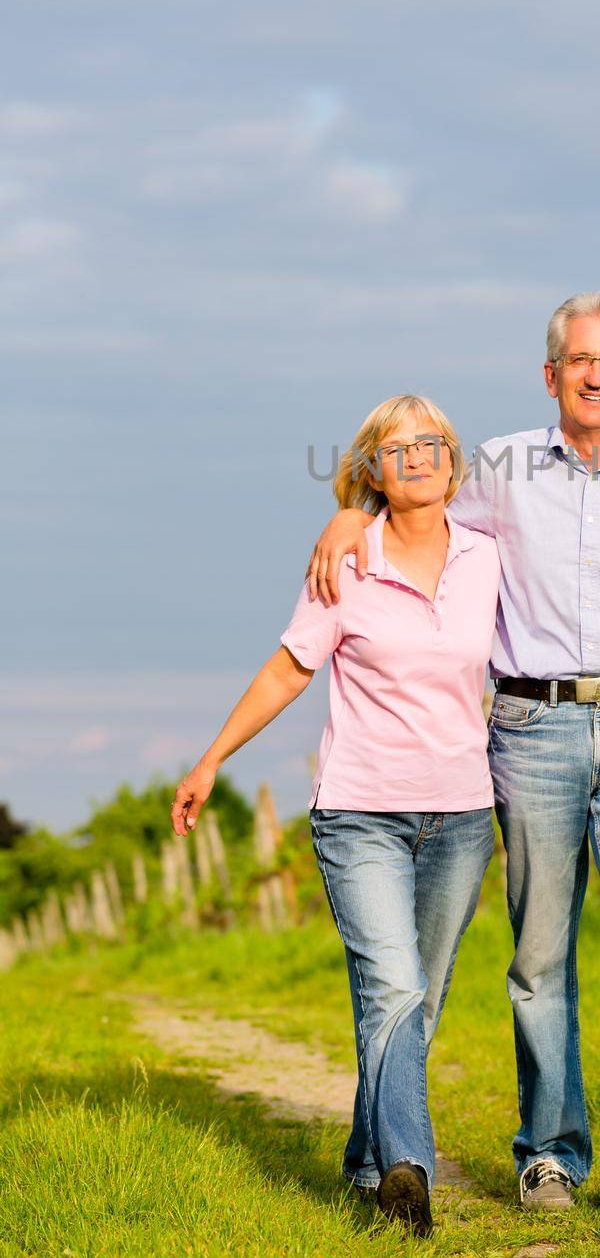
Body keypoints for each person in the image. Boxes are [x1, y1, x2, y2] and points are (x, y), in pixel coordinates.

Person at [307, 292, 600, 1235]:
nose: (594, 375)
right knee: (540, 954)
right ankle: (550, 1153)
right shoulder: (503, 470)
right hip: (528, 728)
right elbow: (408, 504)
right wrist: (348, 518)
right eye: (577, 360)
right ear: (549, 374)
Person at [170, 394, 501, 1238]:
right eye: (398, 449)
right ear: (373, 471)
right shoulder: (345, 565)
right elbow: (289, 667)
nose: (419, 457)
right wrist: (213, 759)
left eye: (433, 444)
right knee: (390, 987)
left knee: (416, 1005)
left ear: (454, 464)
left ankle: (365, 1160)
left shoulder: (491, 557)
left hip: (461, 812)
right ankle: (408, 1175)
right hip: (360, 811)